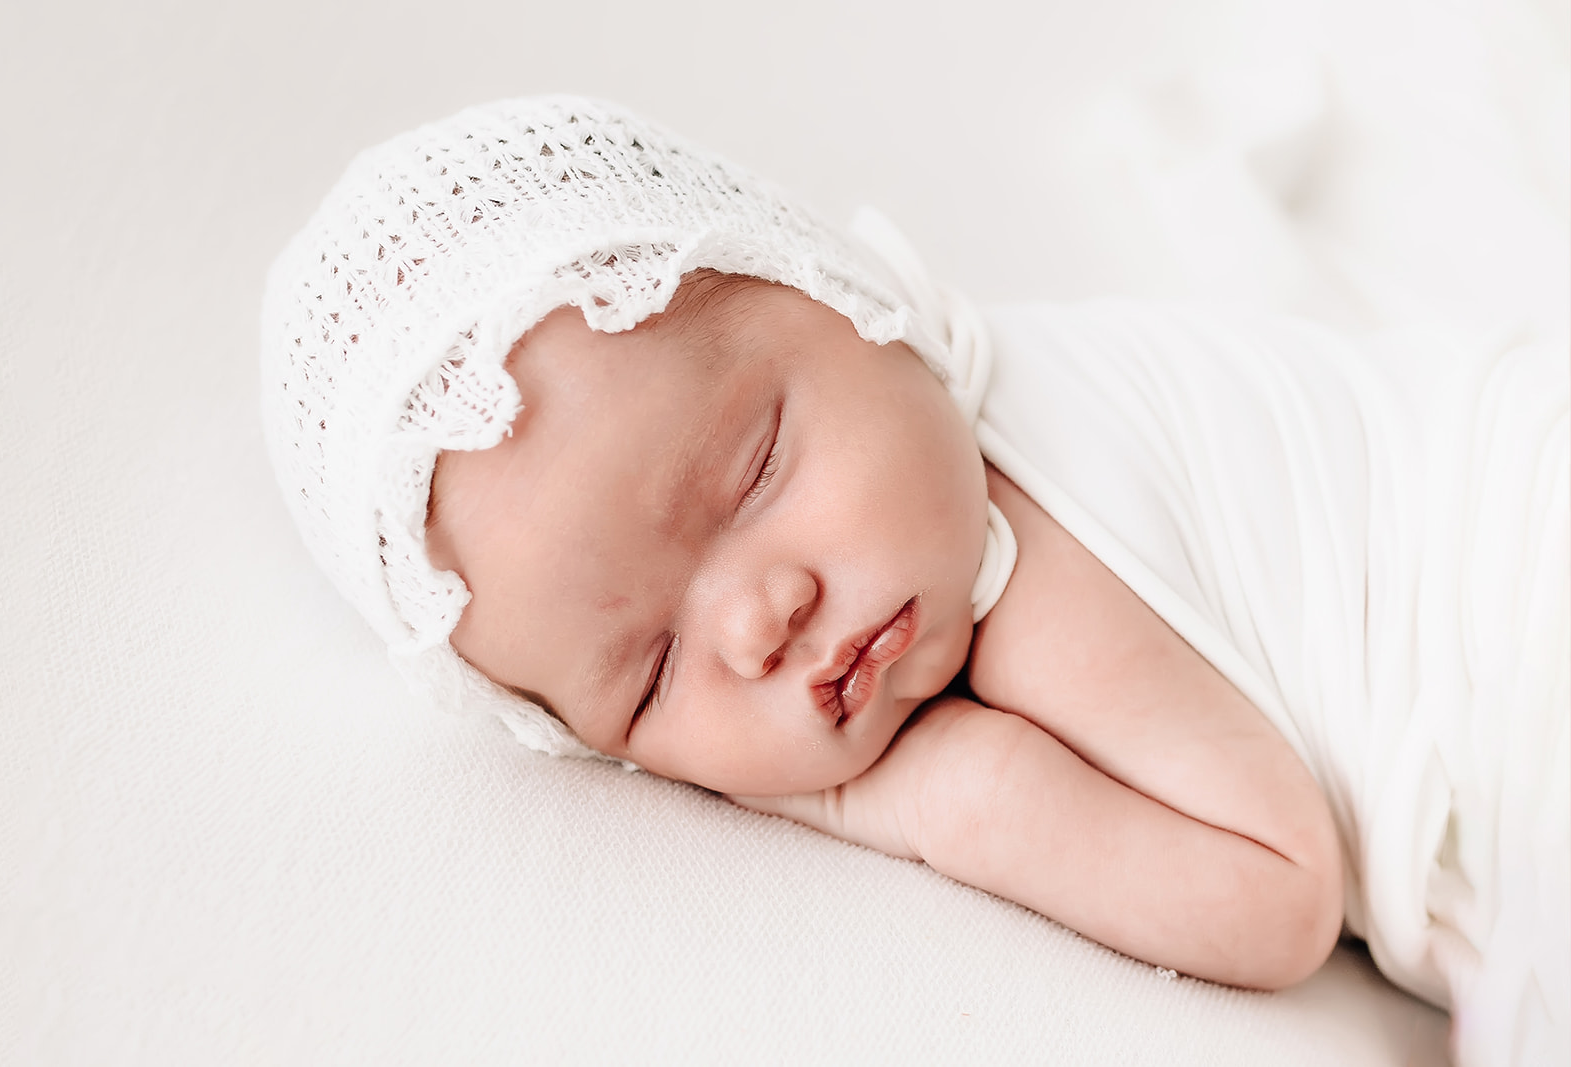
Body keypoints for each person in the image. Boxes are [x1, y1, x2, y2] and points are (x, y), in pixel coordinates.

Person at [260, 96, 1567, 1066]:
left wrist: (946, 793)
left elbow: (1276, 896)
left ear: (847, 291)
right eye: (651, 674)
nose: (756, 620)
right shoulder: (909, 461)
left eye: (755, 471)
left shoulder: (1009, 537)